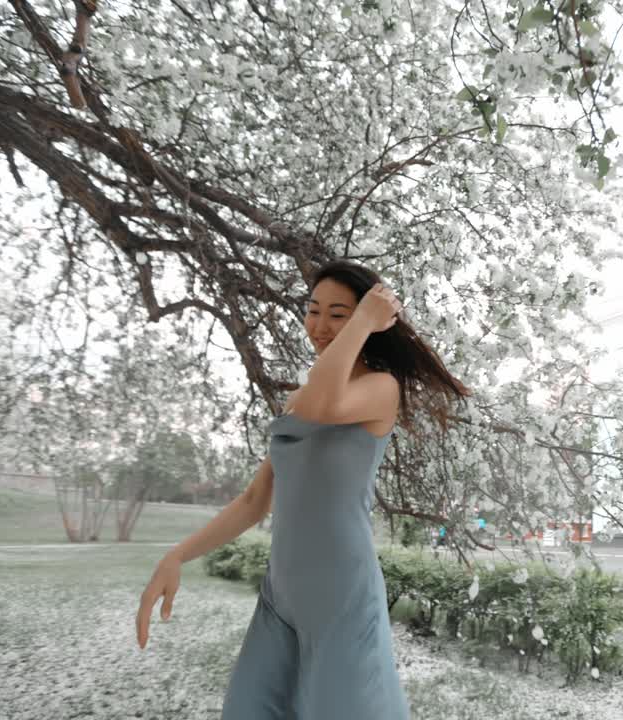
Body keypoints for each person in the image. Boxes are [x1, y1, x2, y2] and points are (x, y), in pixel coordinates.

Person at [135, 261, 468, 719]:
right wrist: (177, 554)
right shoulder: (300, 398)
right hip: (282, 596)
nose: (320, 326)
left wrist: (366, 322)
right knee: (249, 709)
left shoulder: (380, 388)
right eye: (313, 311)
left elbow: (327, 401)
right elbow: (255, 501)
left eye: (339, 314)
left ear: (367, 321)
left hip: (342, 597)